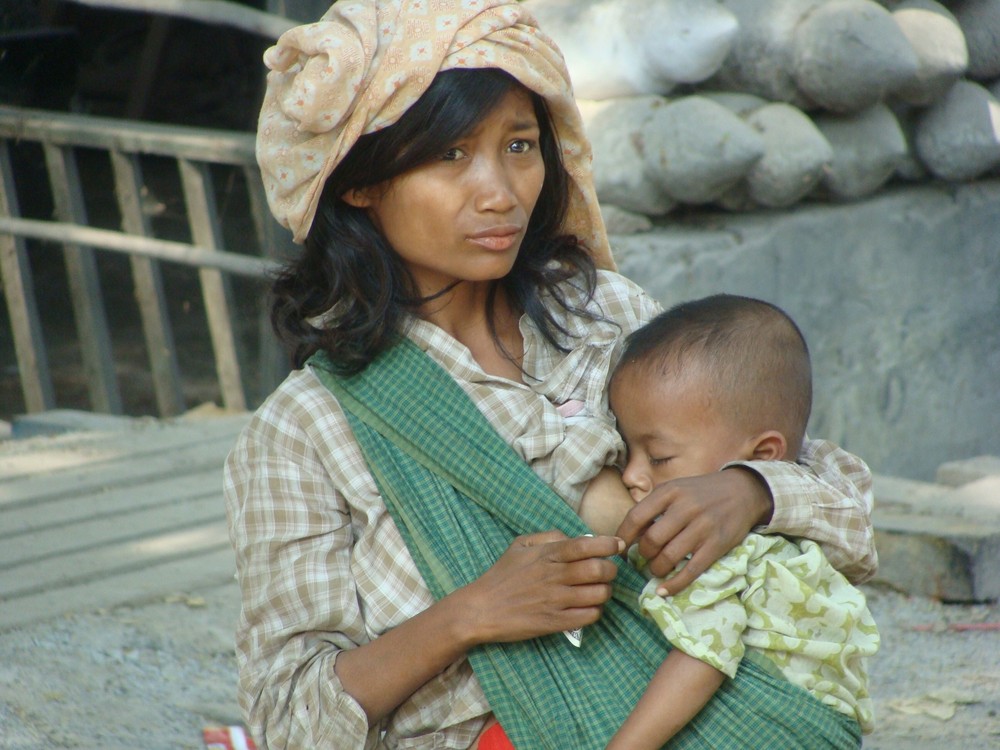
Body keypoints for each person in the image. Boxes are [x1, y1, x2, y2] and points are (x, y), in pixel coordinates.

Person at [224, 1, 877, 747]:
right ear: (359, 182)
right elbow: (285, 719)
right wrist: (470, 614)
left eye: (521, 145)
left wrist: (750, 492)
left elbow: (850, 516)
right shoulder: (305, 431)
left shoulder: (610, 318)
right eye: (451, 155)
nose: (500, 191)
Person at [576, 294, 880, 749]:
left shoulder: (719, 552)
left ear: (763, 456)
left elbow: (700, 659)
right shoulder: (794, 536)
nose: (633, 476)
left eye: (658, 457)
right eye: (628, 451)